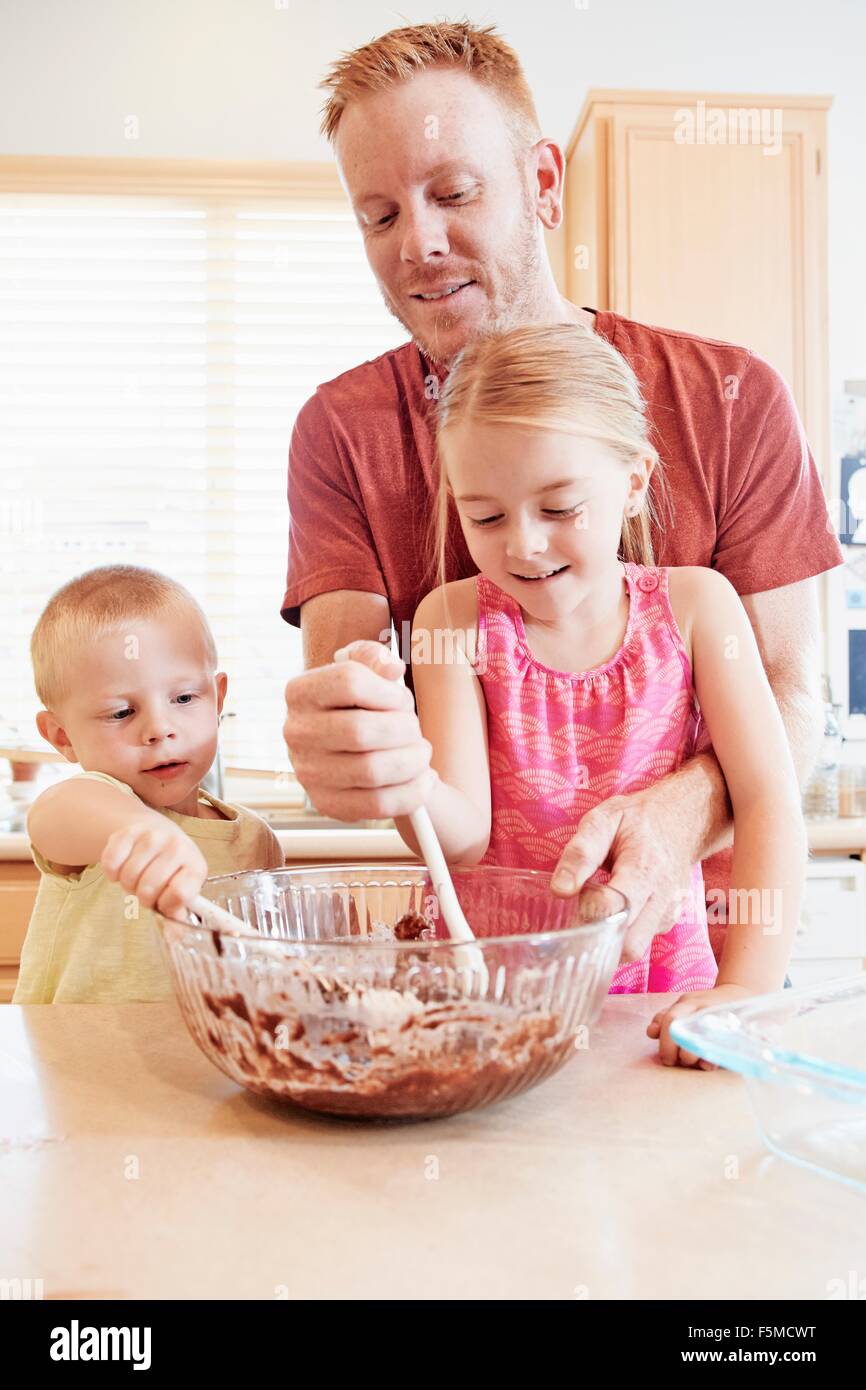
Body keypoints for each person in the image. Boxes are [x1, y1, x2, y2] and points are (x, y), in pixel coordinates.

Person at [281, 20, 842, 969]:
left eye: (453, 192)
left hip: (683, 976)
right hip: (491, 977)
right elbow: (385, 747)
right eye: (378, 217)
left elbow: (794, 707)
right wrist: (356, 746)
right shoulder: (342, 430)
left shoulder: (729, 396)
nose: (416, 243)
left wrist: (680, 814)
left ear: (543, 184)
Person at [389, 322, 807, 1064]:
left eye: (558, 508)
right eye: (484, 515)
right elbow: (464, 837)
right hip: (491, 1005)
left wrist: (748, 989)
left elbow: (769, 798)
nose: (523, 544)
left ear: (635, 482)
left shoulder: (698, 607)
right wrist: (399, 769)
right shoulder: (449, 620)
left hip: (655, 998)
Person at [14, 566, 284, 1004]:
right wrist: (139, 830)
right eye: (122, 713)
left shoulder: (255, 840)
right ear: (62, 736)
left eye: (183, 699)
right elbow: (55, 814)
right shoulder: (95, 808)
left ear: (218, 699)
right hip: (77, 1068)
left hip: (206, 1069)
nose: (160, 729)